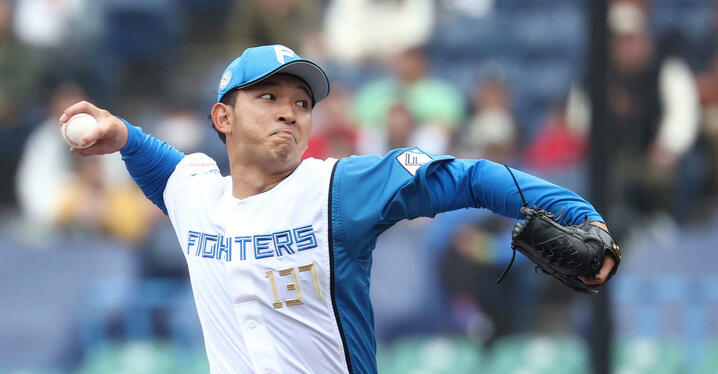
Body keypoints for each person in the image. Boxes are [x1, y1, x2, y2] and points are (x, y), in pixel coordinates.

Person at [60, 44, 617, 374]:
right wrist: (121, 134)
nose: (290, 113)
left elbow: (467, 177)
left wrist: (578, 212)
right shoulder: (196, 195)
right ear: (222, 119)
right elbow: (160, 165)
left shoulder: (338, 187)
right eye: (269, 97)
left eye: (302, 103)